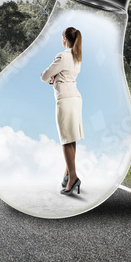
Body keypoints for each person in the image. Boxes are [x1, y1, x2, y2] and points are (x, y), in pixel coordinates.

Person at [40, 27, 83, 195]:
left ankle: (73, 178)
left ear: (65, 38)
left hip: (64, 99)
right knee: (72, 138)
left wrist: (50, 78)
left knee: (66, 139)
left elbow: (45, 75)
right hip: (76, 99)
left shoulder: (62, 56)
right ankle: (67, 174)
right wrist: (55, 78)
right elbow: (65, 76)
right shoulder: (77, 57)